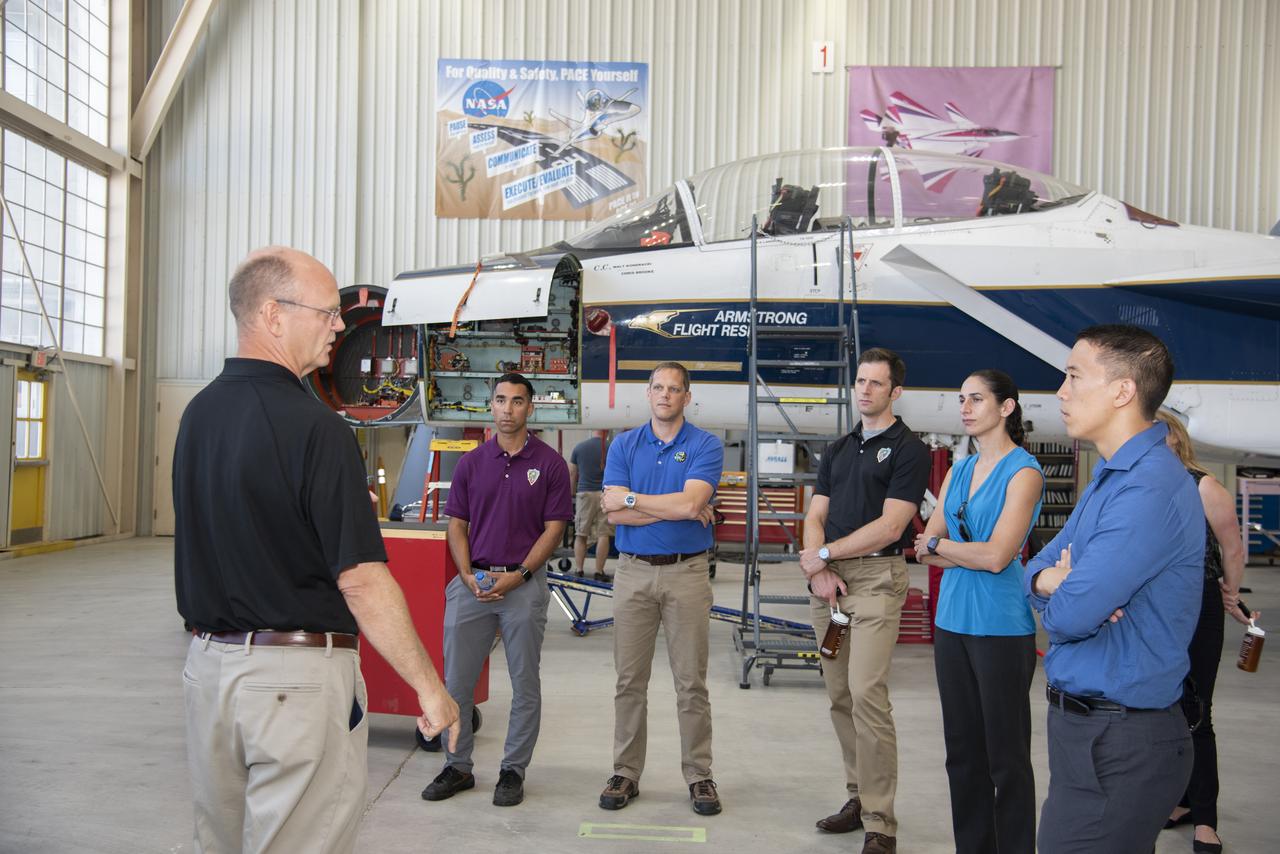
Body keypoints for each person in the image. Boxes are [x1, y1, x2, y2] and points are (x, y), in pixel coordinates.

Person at [173, 247, 460, 854]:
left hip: (207, 677)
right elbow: (361, 579)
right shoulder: (318, 429)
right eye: (328, 312)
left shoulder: (197, 417)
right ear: (274, 316)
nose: (339, 326)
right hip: (291, 686)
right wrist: (428, 687)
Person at [1025, 324, 1203, 854]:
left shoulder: (1147, 488)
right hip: (1089, 733)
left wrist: (1065, 593)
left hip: (1121, 740)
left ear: (1124, 391)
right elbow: (1031, 572)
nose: (1061, 390)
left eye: (1075, 376)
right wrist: (1053, 581)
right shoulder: (1113, 476)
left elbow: (1070, 617)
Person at [799, 347, 931, 854]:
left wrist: (826, 553)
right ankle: (856, 796)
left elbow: (893, 524)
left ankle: (881, 821)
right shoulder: (839, 448)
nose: (865, 390)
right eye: (860, 381)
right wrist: (820, 565)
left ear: (895, 392)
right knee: (840, 696)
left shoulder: (908, 449)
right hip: (828, 585)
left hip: (876, 579)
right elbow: (817, 513)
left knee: (867, 694)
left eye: (877, 383)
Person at [420, 373, 572, 807]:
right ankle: (457, 766)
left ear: (530, 408)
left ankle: (512, 771)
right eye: (501, 400)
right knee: (457, 684)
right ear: (491, 406)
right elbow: (457, 525)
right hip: (474, 584)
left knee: (525, 683)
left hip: (522, 586)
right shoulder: (471, 463)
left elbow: (554, 528)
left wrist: (521, 575)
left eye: (517, 401)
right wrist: (466, 575)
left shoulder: (550, 464)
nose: (508, 409)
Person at [912, 369, 1043, 854]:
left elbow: (996, 557)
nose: (965, 408)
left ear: (1006, 408)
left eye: (976, 399)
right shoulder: (959, 470)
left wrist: (944, 544)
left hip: (1001, 627)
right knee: (962, 754)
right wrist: (948, 546)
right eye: (961, 399)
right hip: (952, 622)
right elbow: (923, 549)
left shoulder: (1024, 472)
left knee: (1006, 758)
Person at [597, 362, 724, 816]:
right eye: (658, 388)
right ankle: (625, 772)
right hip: (632, 572)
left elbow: (692, 501)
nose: (665, 395)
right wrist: (677, 510)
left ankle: (700, 776)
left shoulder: (707, 444)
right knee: (629, 680)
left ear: (687, 397)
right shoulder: (624, 445)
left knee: (691, 683)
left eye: (674, 389)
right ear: (647, 394)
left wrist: (636, 500)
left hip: (686, 573)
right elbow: (613, 515)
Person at [1156, 410, 1253, 854]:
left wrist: (1230, 593)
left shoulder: (1203, 485)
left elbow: (1232, 546)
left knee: (1196, 709)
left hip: (1198, 603)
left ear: (1176, 438)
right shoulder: (1140, 483)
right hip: (1153, 605)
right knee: (1161, 706)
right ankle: (1179, 800)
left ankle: (1206, 820)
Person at [570, 430, 615, 580]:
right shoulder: (612, 447)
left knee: (581, 533)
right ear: (606, 432)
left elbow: (572, 473)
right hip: (605, 494)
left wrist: (571, 493)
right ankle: (598, 571)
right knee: (604, 534)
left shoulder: (579, 447)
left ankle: (579, 569)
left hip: (584, 494)